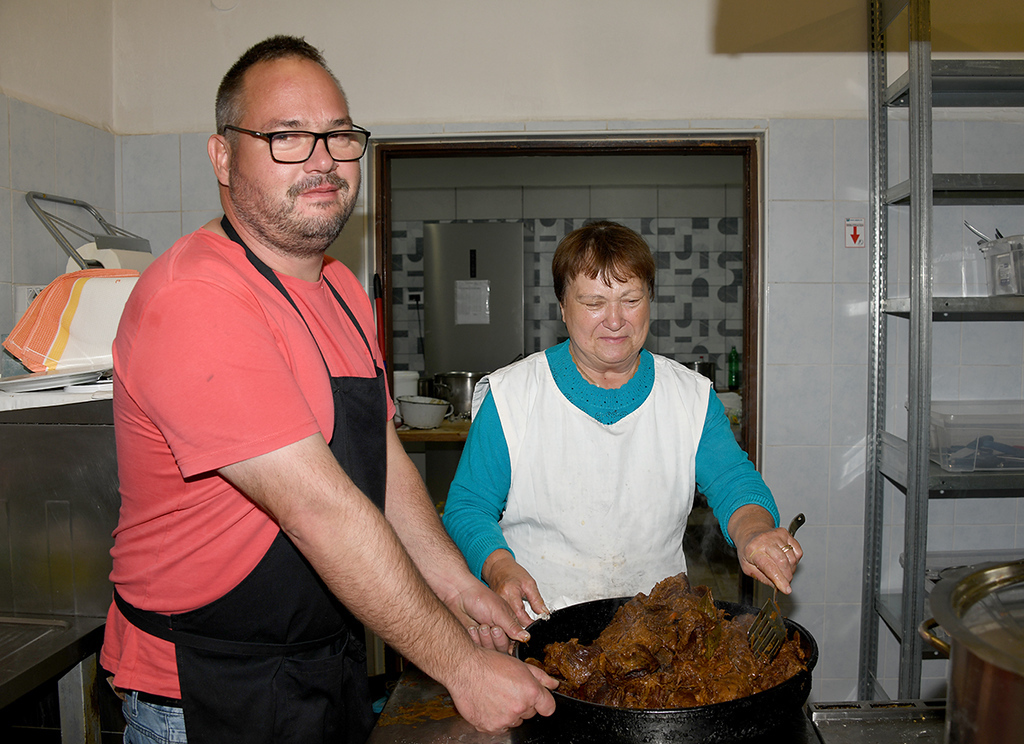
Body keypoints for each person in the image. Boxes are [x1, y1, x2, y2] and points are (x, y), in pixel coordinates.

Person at [100, 35, 555, 744]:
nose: (322, 158)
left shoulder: (340, 287)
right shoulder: (197, 297)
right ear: (223, 156)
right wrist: (462, 665)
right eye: (286, 135)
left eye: (339, 136)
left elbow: (384, 466)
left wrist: (459, 588)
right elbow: (321, 512)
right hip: (205, 692)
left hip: (320, 667)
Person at [442, 221, 803, 627]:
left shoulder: (689, 397)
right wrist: (498, 567)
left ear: (650, 300)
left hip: (659, 630)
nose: (615, 321)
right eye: (594, 302)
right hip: (538, 623)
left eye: (630, 299)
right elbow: (468, 507)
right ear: (562, 307)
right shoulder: (514, 396)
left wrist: (754, 532)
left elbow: (733, 481)